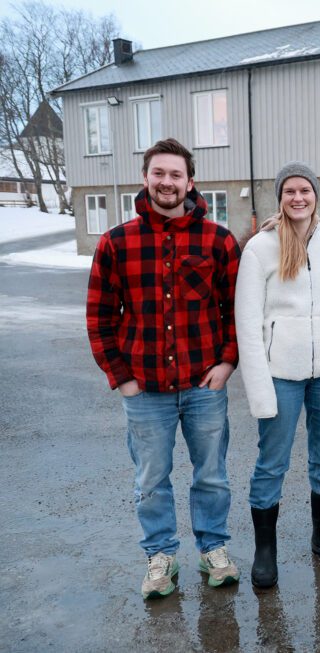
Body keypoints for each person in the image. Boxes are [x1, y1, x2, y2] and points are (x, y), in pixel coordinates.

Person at [86, 138, 241, 599]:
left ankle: (213, 549)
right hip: (144, 389)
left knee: (211, 475)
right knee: (151, 480)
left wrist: (228, 361)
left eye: (176, 174)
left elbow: (236, 310)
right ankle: (161, 556)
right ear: (145, 178)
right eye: (159, 173)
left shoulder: (218, 241)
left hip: (204, 385)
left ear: (190, 182)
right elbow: (99, 317)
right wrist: (122, 378)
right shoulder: (117, 243)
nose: (167, 182)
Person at [235, 162, 320, 587]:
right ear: (280, 197)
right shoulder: (260, 248)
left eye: (305, 190)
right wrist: (259, 390)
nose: (298, 198)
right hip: (280, 375)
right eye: (290, 191)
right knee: (272, 462)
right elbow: (247, 324)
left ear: (315, 195)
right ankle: (265, 550)